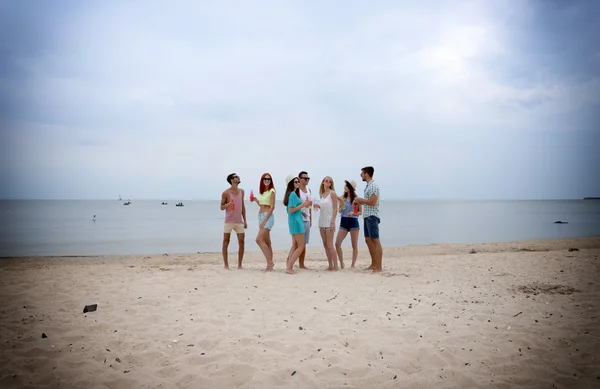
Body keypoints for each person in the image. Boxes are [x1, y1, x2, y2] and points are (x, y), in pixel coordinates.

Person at [353, 166, 382, 272]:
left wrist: (361, 200)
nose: (361, 175)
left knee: (375, 240)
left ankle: (379, 266)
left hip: (372, 216)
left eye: (362, 173)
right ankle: (374, 264)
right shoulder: (368, 186)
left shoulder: (373, 186)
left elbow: (373, 202)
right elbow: (368, 202)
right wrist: (360, 201)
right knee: (368, 240)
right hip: (367, 216)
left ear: (366, 173)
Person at [283, 174, 310, 274]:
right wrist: (303, 205)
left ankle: (288, 264)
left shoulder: (292, 194)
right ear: (291, 183)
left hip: (294, 220)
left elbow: (289, 209)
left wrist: (301, 211)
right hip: (296, 222)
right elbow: (290, 209)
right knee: (301, 246)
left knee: (295, 245)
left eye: (298, 181)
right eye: (296, 182)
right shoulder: (293, 194)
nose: (298, 183)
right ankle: (289, 267)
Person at [220, 173, 247, 269]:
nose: (238, 177)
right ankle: (226, 265)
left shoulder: (242, 192)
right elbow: (221, 207)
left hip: (239, 221)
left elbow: (242, 206)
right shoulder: (226, 193)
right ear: (232, 180)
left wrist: (245, 220)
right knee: (226, 242)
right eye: (236, 177)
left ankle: (240, 265)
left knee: (242, 242)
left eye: (237, 176)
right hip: (229, 221)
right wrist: (227, 205)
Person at [251, 173, 276, 271]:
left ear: (271, 181)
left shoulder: (272, 191)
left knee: (258, 240)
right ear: (262, 180)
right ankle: (270, 264)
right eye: (265, 179)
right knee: (267, 242)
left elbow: (272, 207)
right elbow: (262, 205)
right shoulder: (262, 192)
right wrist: (255, 199)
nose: (267, 180)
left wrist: (265, 220)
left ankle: (270, 263)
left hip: (267, 217)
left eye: (268, 179)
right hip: (260, 216)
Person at [335, 180, 361, 269]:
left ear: (351, 188)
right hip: (344, 221)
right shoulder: (343, 198)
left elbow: (360, 212)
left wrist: (353, 213)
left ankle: (353, 265)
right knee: (337, 243)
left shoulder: (357, 199)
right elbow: (339, 210)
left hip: (353, 222)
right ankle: (342, 263)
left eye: (346, 186)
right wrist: (340, 209)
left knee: (354, 245)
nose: (344, 188)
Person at [318, 176, 338, 270]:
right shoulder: (322, 194)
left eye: (330, 181)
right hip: (321, 222)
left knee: (330, 245)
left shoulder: (332, 193)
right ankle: (330, 265)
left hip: (329, 222)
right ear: (323, 182)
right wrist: (318, 206)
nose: (328, 182)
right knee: (325, 245)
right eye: (326, 180)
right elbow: (324, 207)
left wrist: (333, 222)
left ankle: (336, 266)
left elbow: (335, 208)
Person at [297, 171, 313, 269]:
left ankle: (301, 264)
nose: (307, 180)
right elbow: (293, 205)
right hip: (299, 220)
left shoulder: (309, 190)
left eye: (308, 178)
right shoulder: (297, 191)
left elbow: (309, 206)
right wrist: (300, 211)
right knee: (297, 244)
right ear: (299, 179)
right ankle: (290, 261)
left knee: (304, 244)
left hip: (307, 220)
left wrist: (310, 218)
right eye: (305, 178)